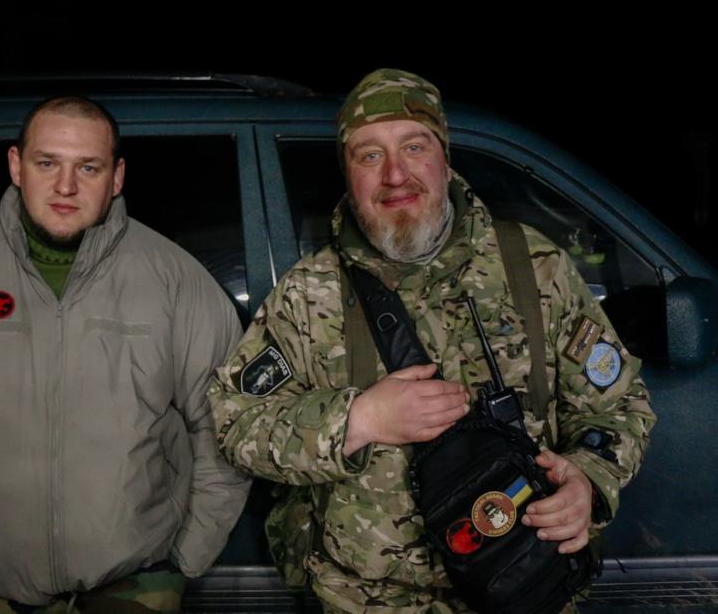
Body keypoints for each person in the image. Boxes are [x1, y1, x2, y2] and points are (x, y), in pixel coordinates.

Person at [208, 69, 656, 613]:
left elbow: (620, 407)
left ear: (444, 158)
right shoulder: (309, 293)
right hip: (371, 601)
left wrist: (589, 478)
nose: (395, 175)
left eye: (413, 147)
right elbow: (237, 424)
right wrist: (357, 421)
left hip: (527, 583)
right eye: (369, 155)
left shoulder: (534, 268)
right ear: (348, 174)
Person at [0, 96, 250, 612]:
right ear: (17, 165)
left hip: (136, 583)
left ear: (117, 176)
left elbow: (229, 428)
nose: (66, 186)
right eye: (47, 163)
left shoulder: (178, 283)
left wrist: (184, 556)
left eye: (88, 167)